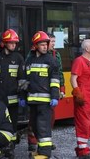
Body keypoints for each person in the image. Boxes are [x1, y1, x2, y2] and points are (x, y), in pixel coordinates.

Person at [24, 31, 60, 159]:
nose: (45, 47)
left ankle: (45, 154)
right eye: (42, 44)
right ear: (35, 46)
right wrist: (23, 97)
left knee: (43, 127)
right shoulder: (29, 60)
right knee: (34, 126)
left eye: (46, 44)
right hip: (32, 101)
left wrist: (55, 97)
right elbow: (25, 81)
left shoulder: (51, 60)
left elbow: (55, 81)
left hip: (45, 102)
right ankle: (40, 149)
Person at [0, 29, 25, 132]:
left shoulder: (18, 58)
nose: (14, 45)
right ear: (4, 43)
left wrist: (22, 96)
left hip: (13, 99)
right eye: (11, 43)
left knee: (13, 121)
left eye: (15, 43)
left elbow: (22, 80)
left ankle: (12, 142)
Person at [71, 39, 90, 159]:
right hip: (83, 98)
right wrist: (77, 92)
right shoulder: (79, 61)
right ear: (87, 49)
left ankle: (82, 148)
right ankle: (83, 151)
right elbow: (73, 79)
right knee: (84, 123)